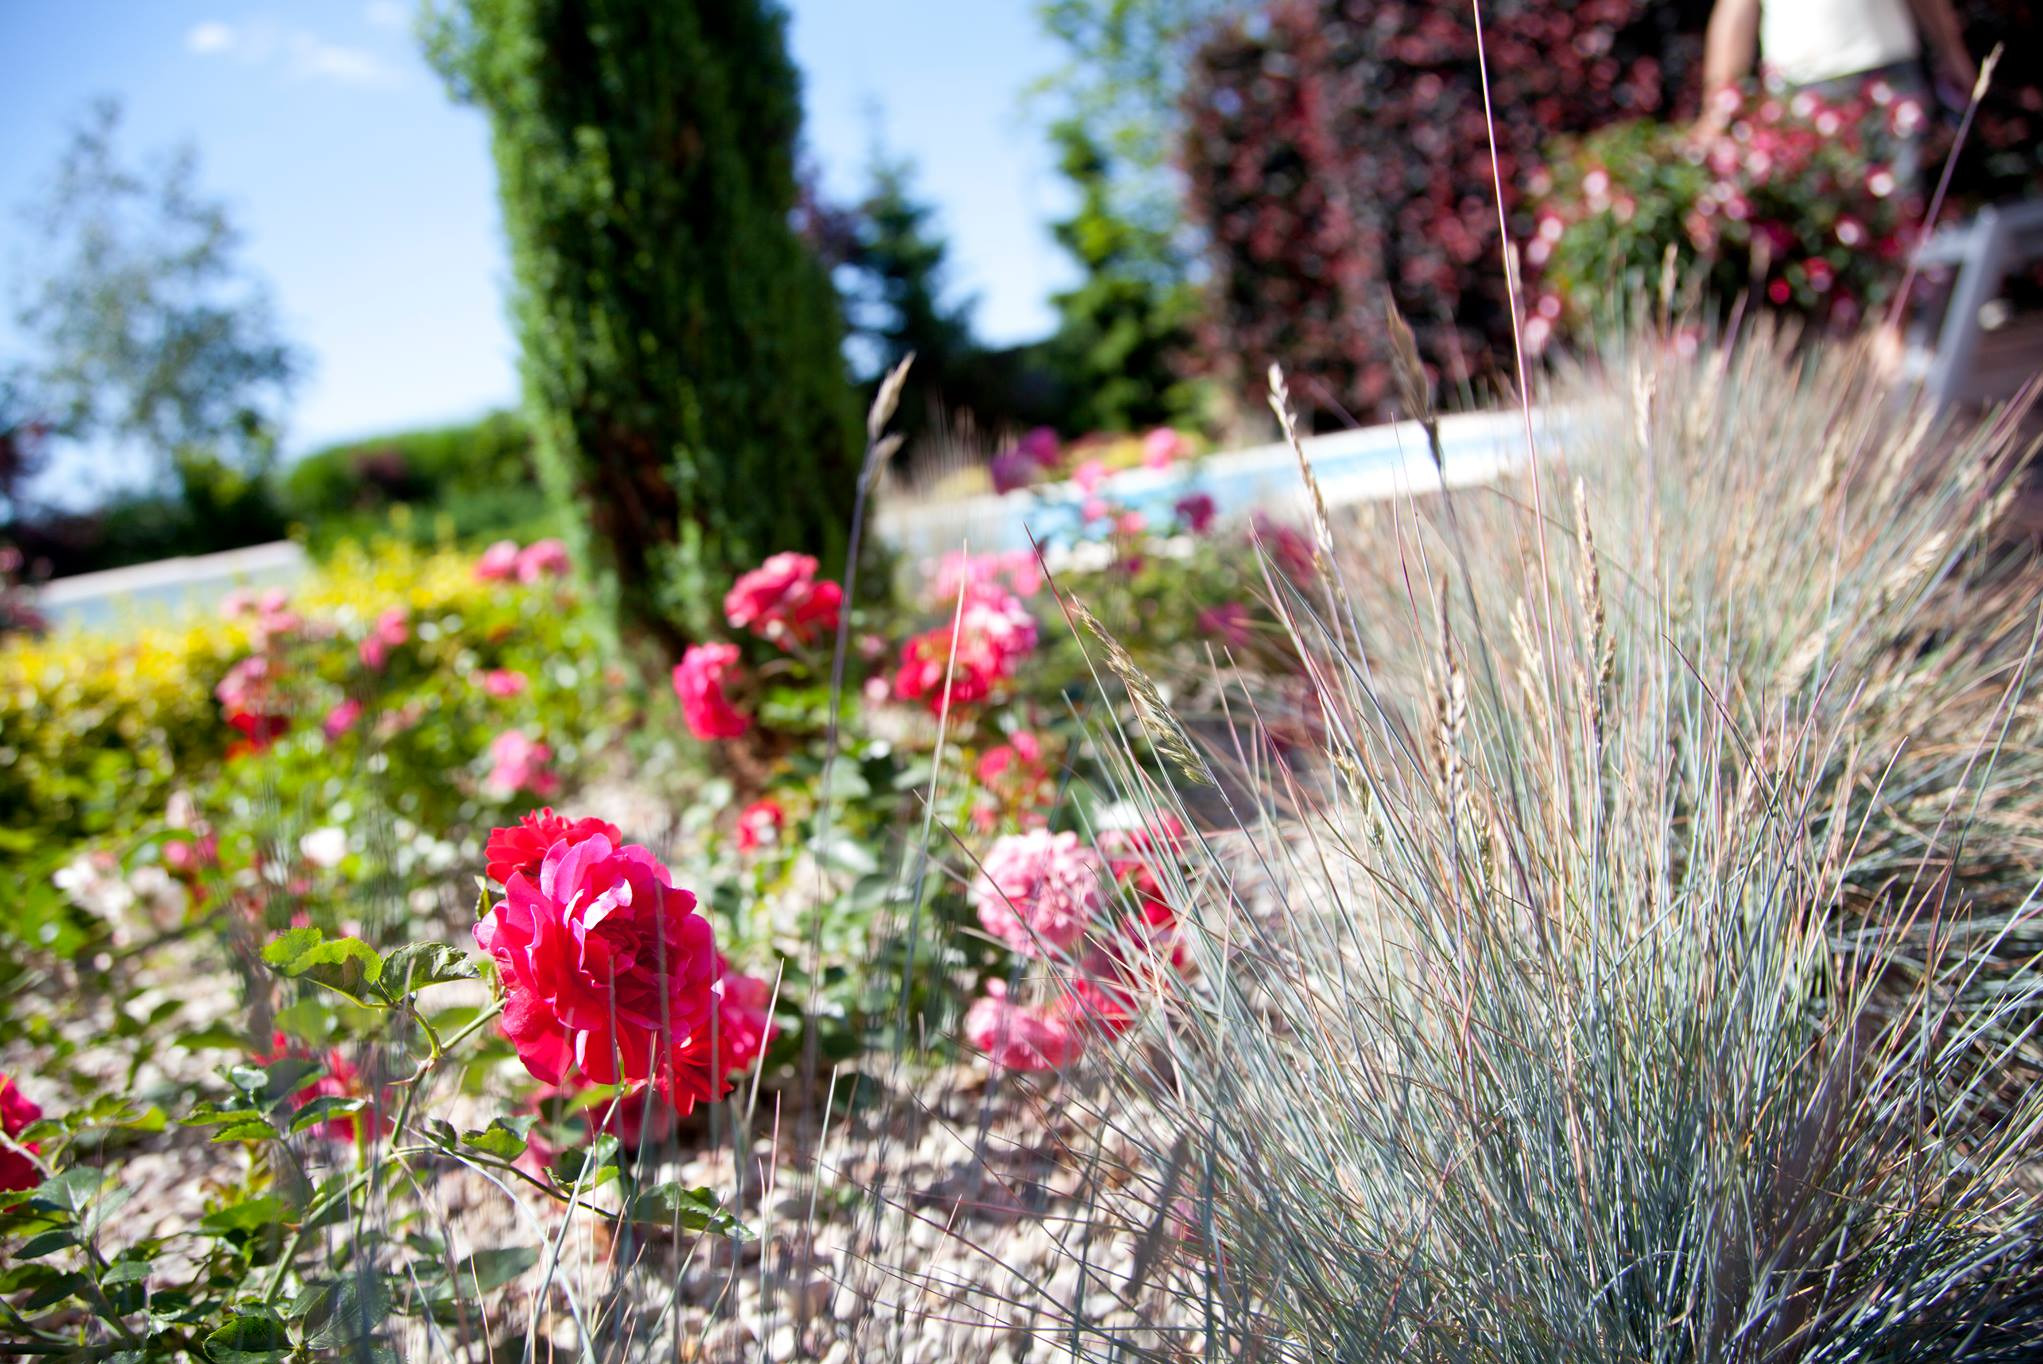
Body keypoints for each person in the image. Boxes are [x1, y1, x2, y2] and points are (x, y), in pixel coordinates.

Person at [1698, 0, 1977, 182]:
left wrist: (1952, 51)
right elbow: (1735, 12)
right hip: (1806, 91)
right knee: (1828, 215)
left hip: (1890, 75)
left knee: (1901, 205)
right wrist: (1716, 112)